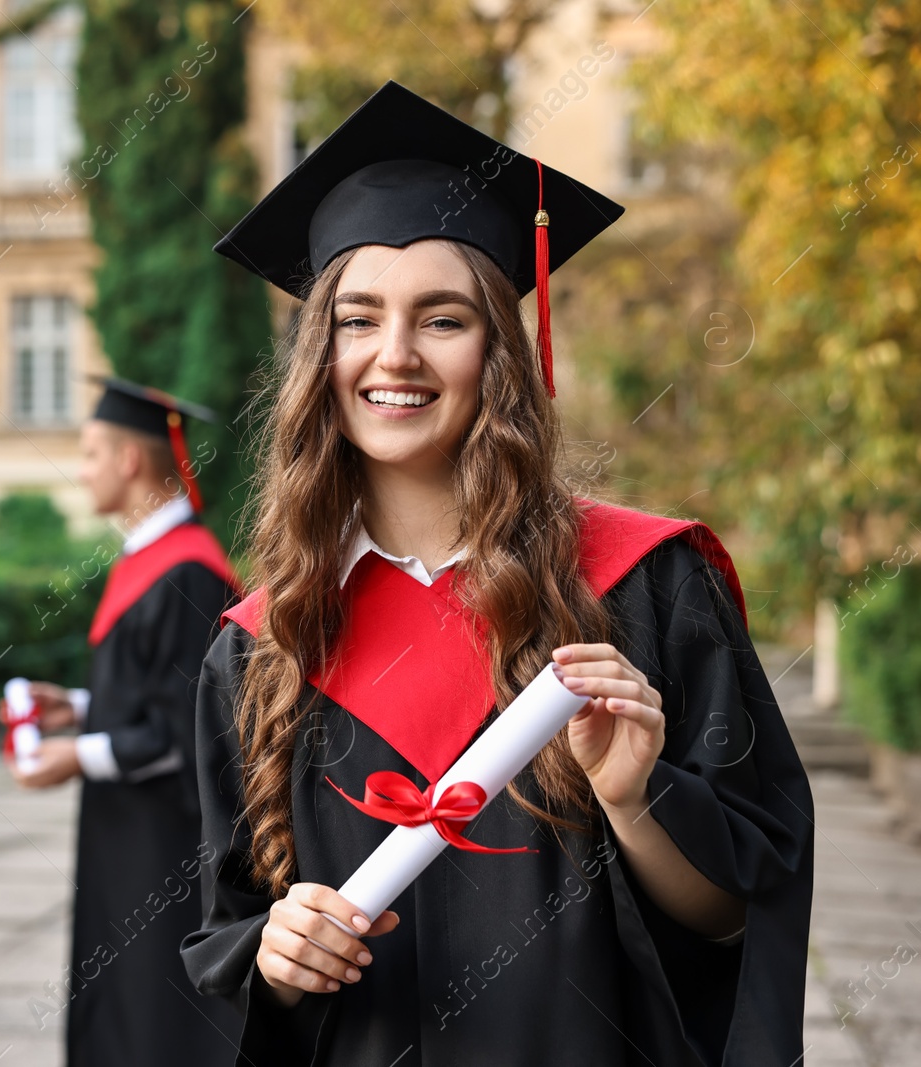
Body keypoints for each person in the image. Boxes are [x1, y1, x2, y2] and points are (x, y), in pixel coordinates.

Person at [180, 81, 814, 1066]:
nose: (394, 355)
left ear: (502, 351)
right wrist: (276, 949)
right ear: (318, 353)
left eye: (442, 319)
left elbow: (735, 919)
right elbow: (225, 937)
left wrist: (631, 795)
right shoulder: (260, 646)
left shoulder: (645, 586)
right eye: (356, 319)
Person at [8, 377, 244, 1066]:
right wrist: (76, 709)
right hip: (126, 825)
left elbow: (187, 730)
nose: (81, 470)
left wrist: (76, 755)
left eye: (88, 454)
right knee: (120, 980)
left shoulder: (189, 573)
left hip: (163, 837)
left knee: (152, 994)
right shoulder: (146, 559)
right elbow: (148, 694)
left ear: (130, 461)